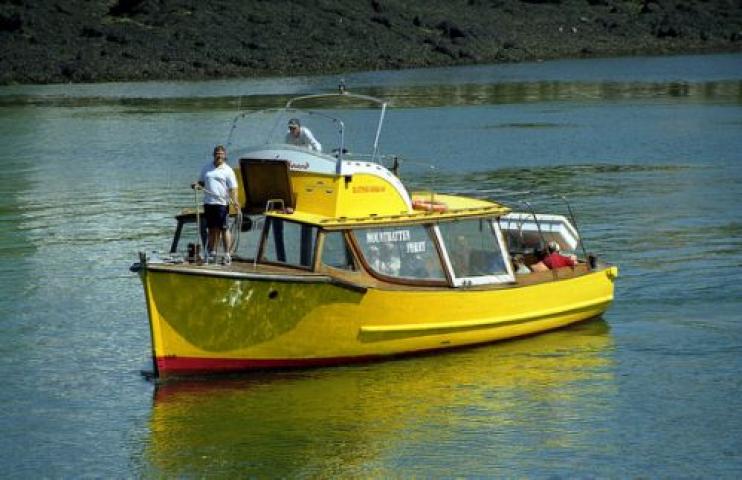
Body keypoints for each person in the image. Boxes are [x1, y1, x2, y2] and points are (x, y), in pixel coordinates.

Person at [192, 145, 239, 264]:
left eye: (221, 154)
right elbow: (202, 182)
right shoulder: (206, 168)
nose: (219, 156)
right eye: (217, 154)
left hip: (222, 203)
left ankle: (227, 253)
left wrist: (235, 201)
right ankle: (212, 252)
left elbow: (233, 188)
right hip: (209, 203)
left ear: (225, 156)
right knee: (212, 229)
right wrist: (197, 185)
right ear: (214, 155)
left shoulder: (228, 170)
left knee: (224, 228)